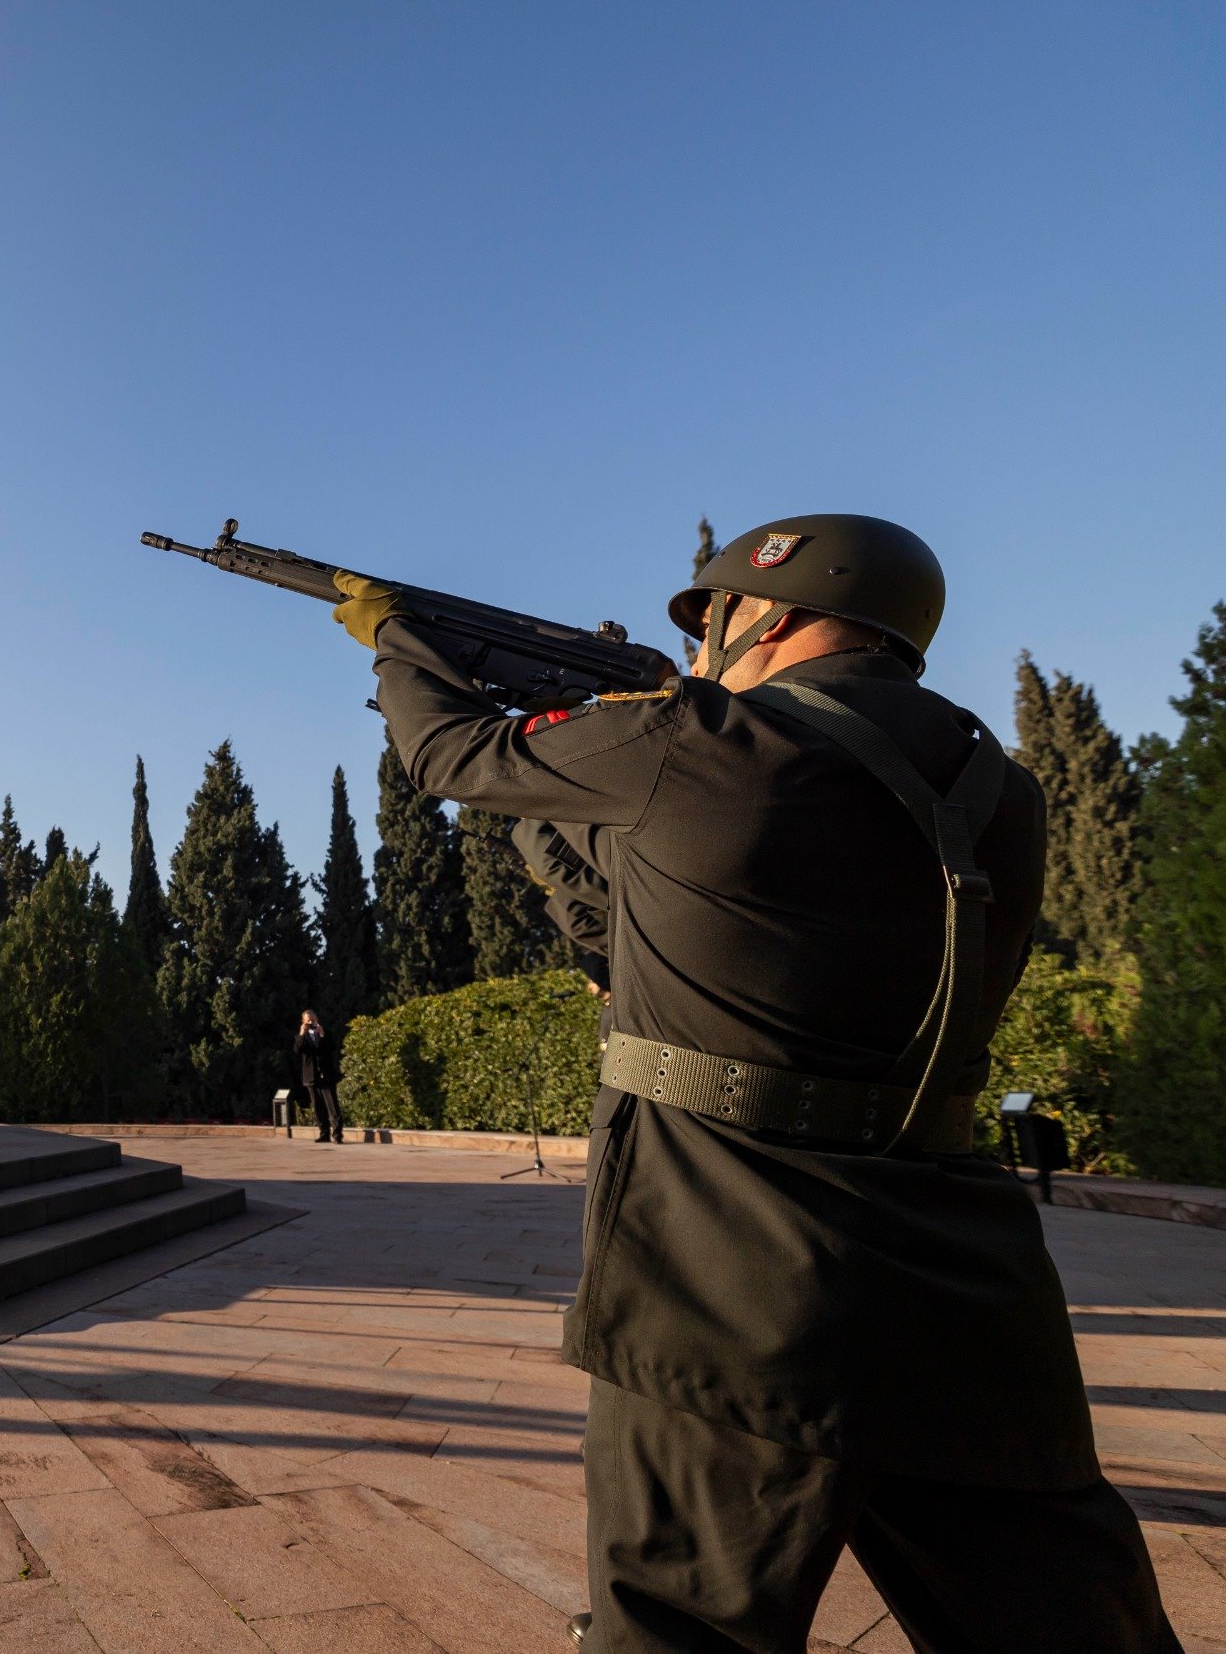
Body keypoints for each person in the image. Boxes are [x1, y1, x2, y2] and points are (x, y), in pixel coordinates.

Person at [331, 515, 1176, 1653]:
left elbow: (447, 754)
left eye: (709, 625)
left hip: (731, 1275)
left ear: (766, 615)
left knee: (679, 1628)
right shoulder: (1002, 791)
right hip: (964, 1282)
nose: (696, 655)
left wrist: (396, 637)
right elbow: (637, 912)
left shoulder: (693, 741)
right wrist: (559, 799)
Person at [293, 1009, 343, 1142]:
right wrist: (301, 1034)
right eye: (308, 1021)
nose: (311, 1022)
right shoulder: (301, 1037)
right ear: (303, 1022)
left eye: (313, 1020)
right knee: (317, 1107)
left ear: (317, 1019)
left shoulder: (325, 1033)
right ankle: (324, 1134)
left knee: (332, 1106)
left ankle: (337, 1135)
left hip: (326, 1075)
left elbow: (332, 1048)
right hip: (311, 1076)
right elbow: (298, 1050)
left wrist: (322, 1035)